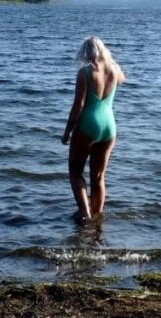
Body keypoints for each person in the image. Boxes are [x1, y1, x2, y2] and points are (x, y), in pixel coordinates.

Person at [62, 36, 126, 222]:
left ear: (85, 52)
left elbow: (78, 106)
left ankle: (85, 214)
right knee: (98, 177)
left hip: (88, 124)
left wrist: (67, 131)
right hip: (109, 127)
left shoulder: (85, 72)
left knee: (75, 173)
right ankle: (96, 217)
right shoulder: (114, 69)